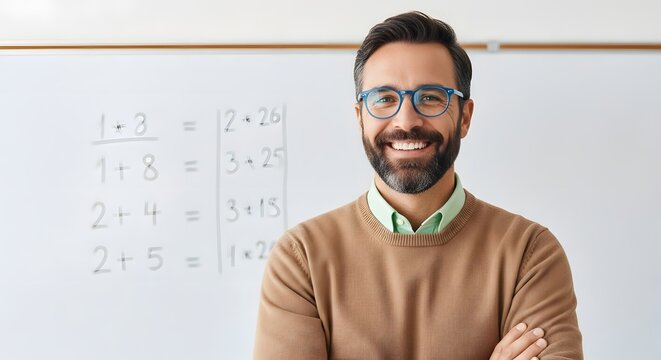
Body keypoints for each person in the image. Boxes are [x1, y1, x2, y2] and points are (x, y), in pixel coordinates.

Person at [254, 11, 582, 360]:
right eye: (384, 98)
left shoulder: (529, 254)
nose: (406, 121)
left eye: (430, 97)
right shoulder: (302, 259)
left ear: (465, 117)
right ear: (359, 117)